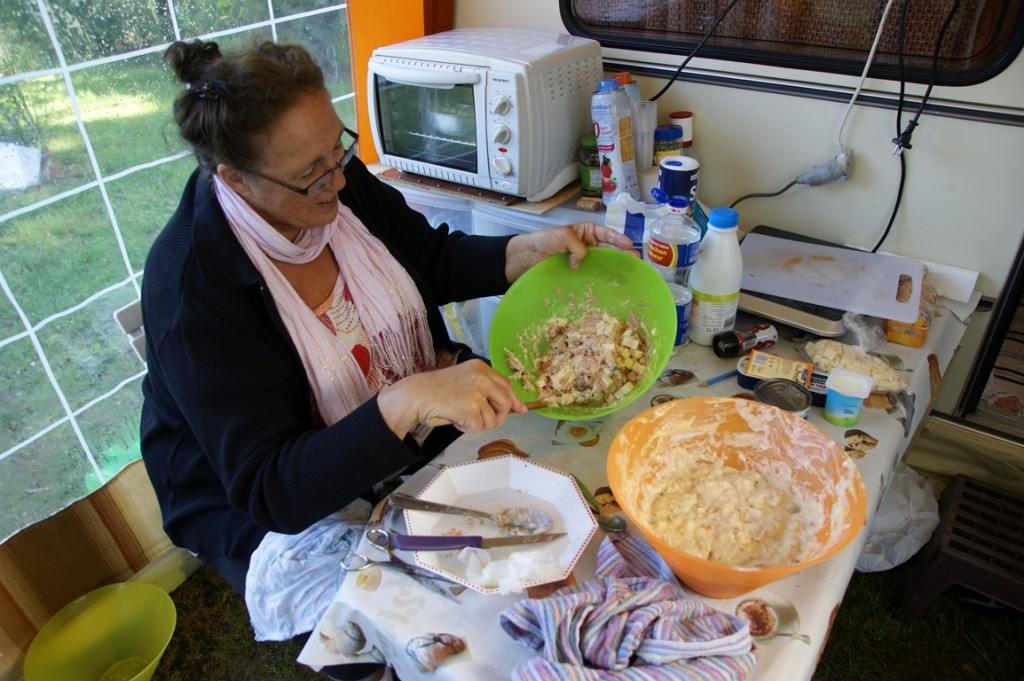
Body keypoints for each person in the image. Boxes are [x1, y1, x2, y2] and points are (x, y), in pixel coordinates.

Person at [140, 38, 635, 679]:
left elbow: (424, 259)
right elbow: (273, 489)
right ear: (234, 178)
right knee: (442, 633)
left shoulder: (333, 183)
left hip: (384, 421)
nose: (340, 181)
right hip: (269, 506)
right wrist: (405, 400)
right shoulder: (194, 290)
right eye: (313, 174)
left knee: (547, 535)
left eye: (339, 149)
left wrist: (526, 249)